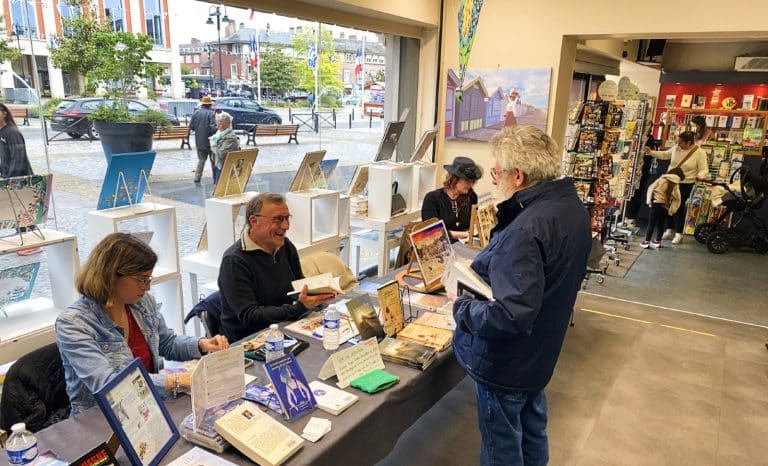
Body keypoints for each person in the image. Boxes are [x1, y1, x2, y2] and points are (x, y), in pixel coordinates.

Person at [451, 125, 591, 466]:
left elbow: (510, 316)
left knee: (503, 448)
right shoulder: (570, 208)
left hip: (508, 363)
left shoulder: (527, 229)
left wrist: (463, 307)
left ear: (518, 176)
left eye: (497, 172)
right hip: (539, 353)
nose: (493, 179)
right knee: (531, 432)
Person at [56, 233, 229, 415]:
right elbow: (112, 386)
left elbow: (167, 343)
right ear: (111, 275)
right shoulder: (73, 324)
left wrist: (201, 344)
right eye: (142, 279)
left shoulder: (141, 303)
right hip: (101, 419)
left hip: (146, 407)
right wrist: (176, 380)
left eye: (149, 279)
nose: (147, 287)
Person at [217, 193, 336, 342]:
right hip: (250, 340)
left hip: (284, 327)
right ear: (254, 221)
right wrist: (299, 308)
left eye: (287, 218)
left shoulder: (285, 246)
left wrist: (318, 294)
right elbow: (250, 316)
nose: (286, 226)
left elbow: (298, 286)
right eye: (278, 219)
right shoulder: (234, 261)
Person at [643, 131, 709, 244]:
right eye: (678, 142)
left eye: (681, 143)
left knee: (678, 206)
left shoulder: (700, 153)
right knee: (666, 205)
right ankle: (670, 229)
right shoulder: (676, 148)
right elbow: (665, 155)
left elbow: (704, 169)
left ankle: (679, 233)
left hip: (685, 183)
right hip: (670, 180)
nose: (678, 145)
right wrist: (651, 152)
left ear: (689, 142)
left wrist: (700, 175)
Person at [421, 156, 483, 242]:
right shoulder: (432, 199)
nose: (471, 185)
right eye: (467, 181)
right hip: (440, 247)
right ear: (454, 179)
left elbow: (474, 223)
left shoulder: (472, 197)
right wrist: (464, 234)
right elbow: (432, 233)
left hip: (464, 244)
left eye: (473, 182)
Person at [642, 167, 684, 249]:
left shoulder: (661, 179)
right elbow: (677, 199)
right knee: (661, 224)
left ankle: (646, 242)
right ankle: (658, 242)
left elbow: (651, 188)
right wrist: (672, 210)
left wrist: (649, 201)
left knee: (651, 223)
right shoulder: (675, 184)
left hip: (656, 204)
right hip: (665, 206)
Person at [0, 103, 33, 179]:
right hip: (7, 177)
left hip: (19, 179)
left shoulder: (12, 132)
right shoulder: (2, 131)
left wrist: (9, 179)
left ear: (5, 113)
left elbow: (18, 158)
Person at [189, 96, 217, 184]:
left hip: (199, 141)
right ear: (209, 105)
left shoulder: (196, 113)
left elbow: (191, 126)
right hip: (210, 141)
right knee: (214, 161)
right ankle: (215, 179)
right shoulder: (211, 114)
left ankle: (197, 177)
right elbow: (213, 128)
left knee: (201, 160)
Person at [210, 111, 241, 184]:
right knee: (218, 188)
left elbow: (221, 154)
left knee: (222, 190)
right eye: (217, 122)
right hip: (219, 165)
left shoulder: (230, 137)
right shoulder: (219, 134)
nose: (217, 124)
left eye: (219, 122)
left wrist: (212, 145)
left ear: (225, 124)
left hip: (226, 168)